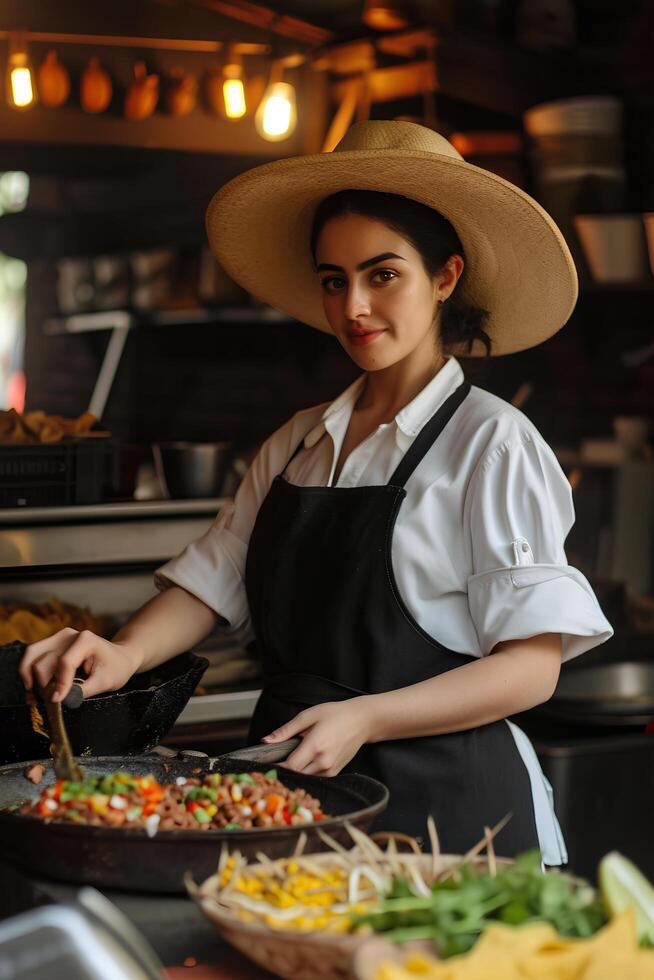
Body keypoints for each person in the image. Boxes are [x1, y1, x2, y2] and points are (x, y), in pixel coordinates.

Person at [19, 121, 612, 862]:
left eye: (383, 273)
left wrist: (366, 718)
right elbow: (211, 582)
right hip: (297, 801)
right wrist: (121, 653)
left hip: (457, 824)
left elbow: (532, 667)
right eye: (335, 280)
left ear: (446, 276)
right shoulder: (299, 440)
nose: (354, 306)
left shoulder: (492, 444)